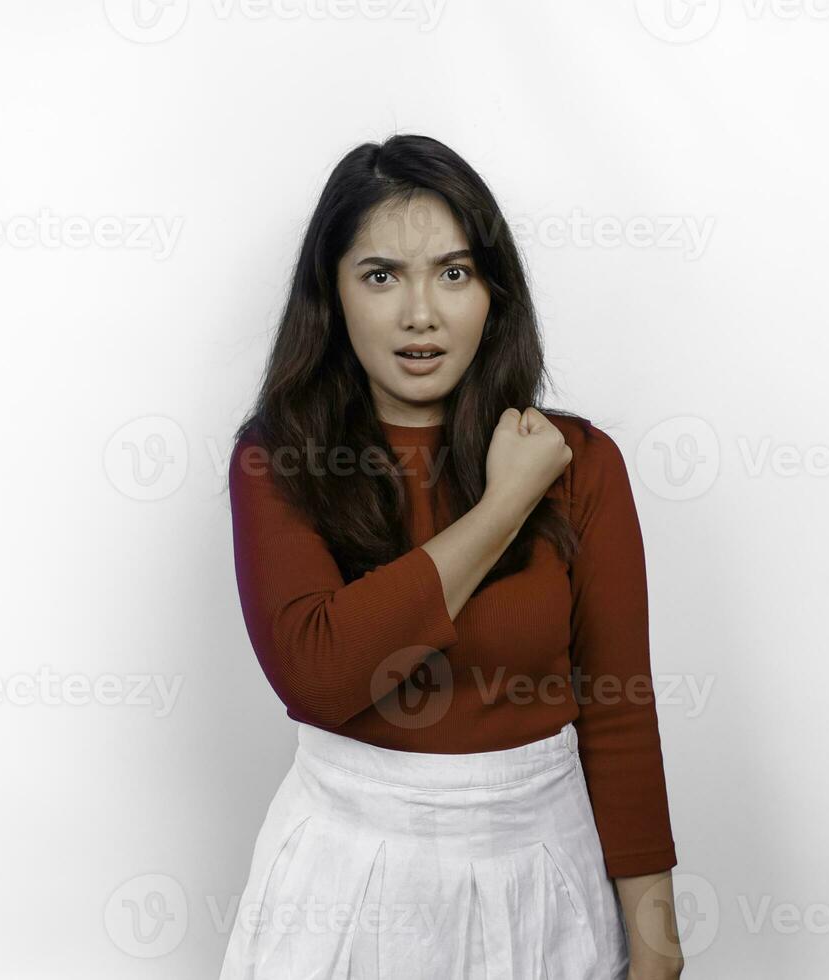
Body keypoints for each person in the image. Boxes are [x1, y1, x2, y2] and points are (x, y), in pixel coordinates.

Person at [218, 133, 685, 979]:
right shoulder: (278, 460)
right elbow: (319, 673)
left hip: (546, 878)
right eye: (381, 275)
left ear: (493, 293)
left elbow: (619, 714)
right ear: (332, 295)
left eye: (455, 273)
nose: (420, 313)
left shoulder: (583, 464)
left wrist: (657, 948)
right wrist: (506, 505)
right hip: (343, 878)